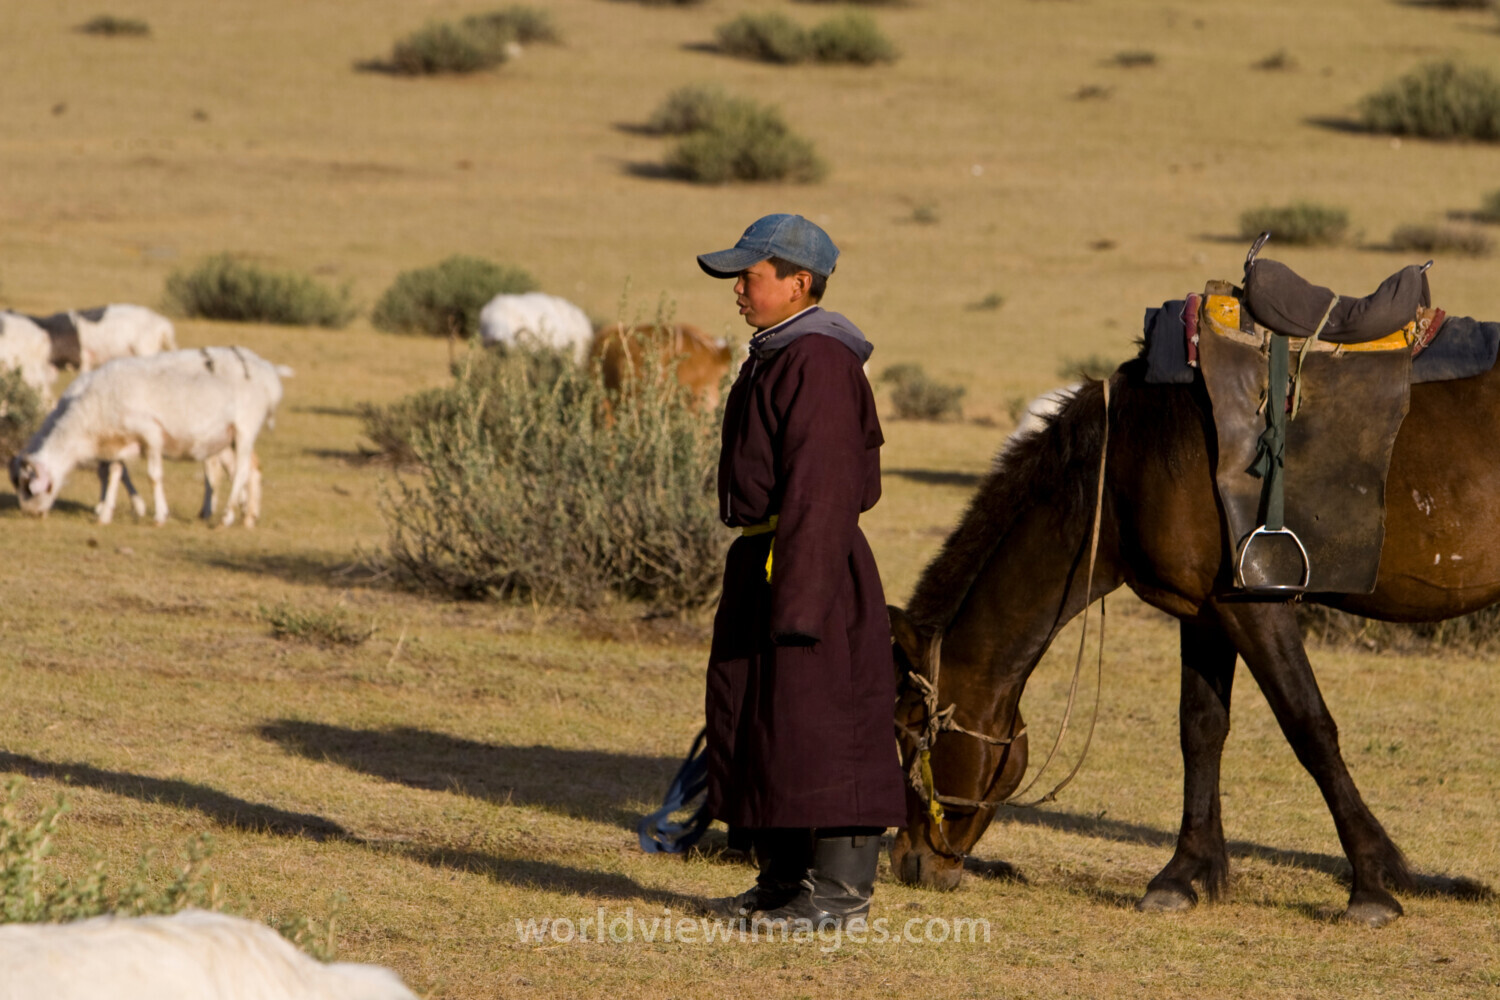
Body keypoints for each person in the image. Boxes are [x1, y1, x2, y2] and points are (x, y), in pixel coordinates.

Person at [695, 214, 907, 928]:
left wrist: (801, 599)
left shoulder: (818, 359)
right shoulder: (780, 351)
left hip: (810, 561)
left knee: (826, 721)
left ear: (798, 282)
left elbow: (824, 483)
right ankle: (784, 880)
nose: (738, 289)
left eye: (750, 276)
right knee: (770, 718)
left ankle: (841, 894)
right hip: (770, 556)